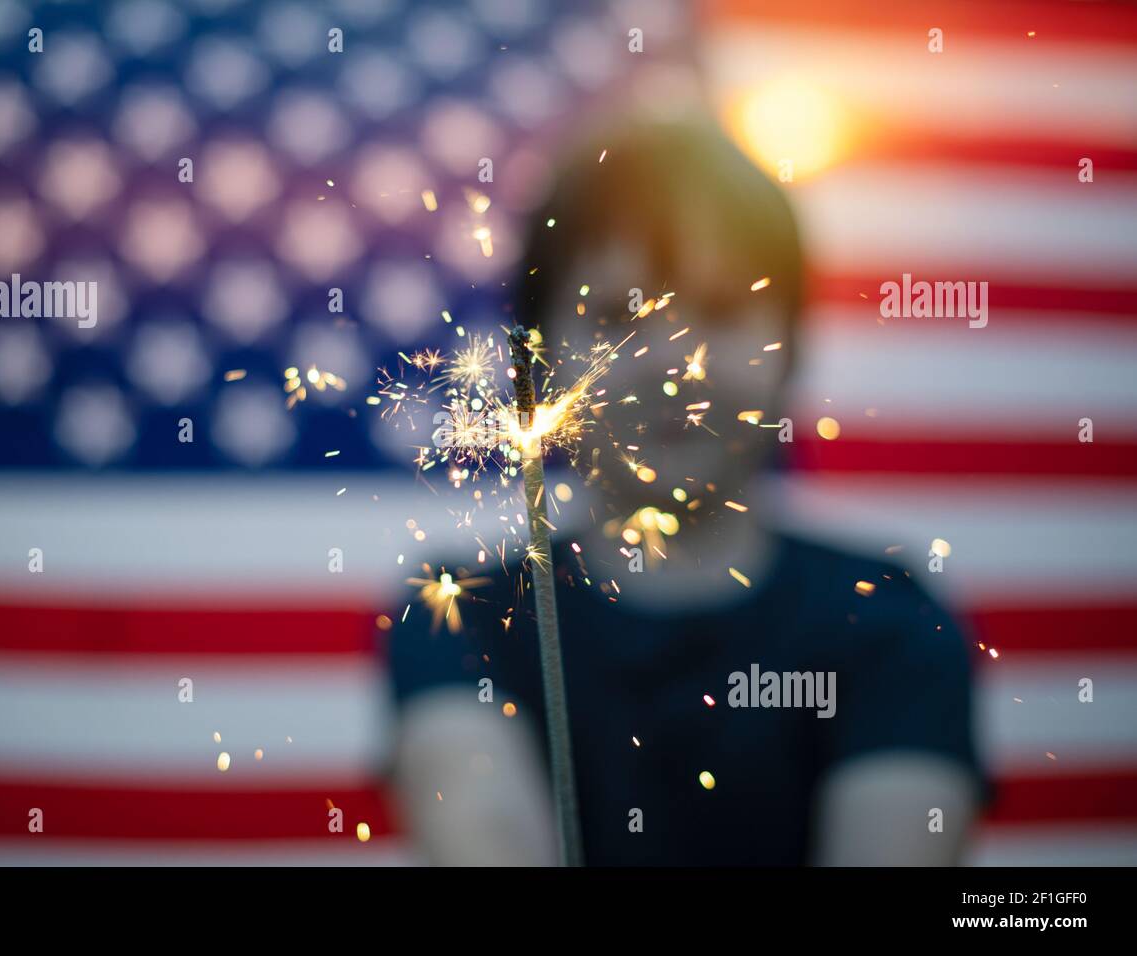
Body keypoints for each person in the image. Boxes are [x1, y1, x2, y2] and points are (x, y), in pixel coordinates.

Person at [385, 120, 984, 866]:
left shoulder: (892, 623)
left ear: (791, 349)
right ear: (534, 360)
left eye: (723, 311)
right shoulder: (462, 612)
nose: (673, 362)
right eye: (615, 315)